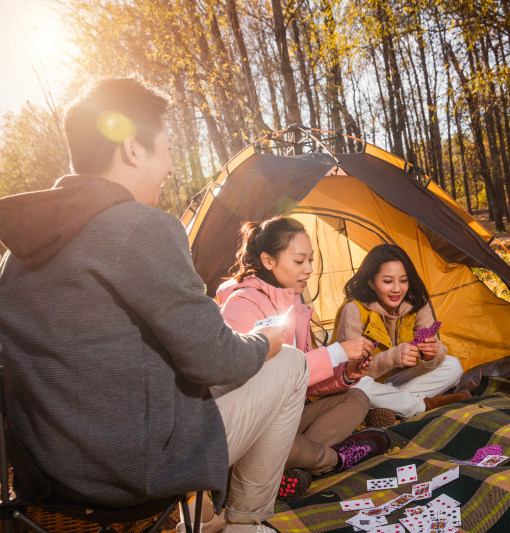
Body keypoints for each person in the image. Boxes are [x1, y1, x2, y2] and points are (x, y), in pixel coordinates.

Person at [0, 77, 309, 533]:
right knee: (292, 364)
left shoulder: (18, 253)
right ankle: (247, 522)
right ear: (131, 149)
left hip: (46, 479)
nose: (169, 167)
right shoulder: (141, 227)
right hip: (131, 473)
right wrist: (265, 341)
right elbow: (216, 359)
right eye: (166, 149)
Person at [217, 216, 390, 500]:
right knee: (278, 442)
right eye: (299, 262)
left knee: (357, 398)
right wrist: (336, 351)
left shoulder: (294, 302)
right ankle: (328, 460)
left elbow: (303, 382)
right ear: (268, 260)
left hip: (287, 419)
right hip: (252, 426)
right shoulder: (242, 304)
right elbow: (262, 377)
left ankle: (290, 464)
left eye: (310, 260)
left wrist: (345, 372)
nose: (309, 269)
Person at [333, 244, 468, 427]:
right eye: (388, 281)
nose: (397, 289)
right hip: (364, 380)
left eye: (403, 281)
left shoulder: (417, 305)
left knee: (453, 366)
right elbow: (349, 371)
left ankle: (386, 406)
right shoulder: (354, 310)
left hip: (397, 381)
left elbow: (438, 350)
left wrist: (433, 354)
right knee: (356, 387)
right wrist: (392, 357)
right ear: (371, 282)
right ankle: (422, 405)